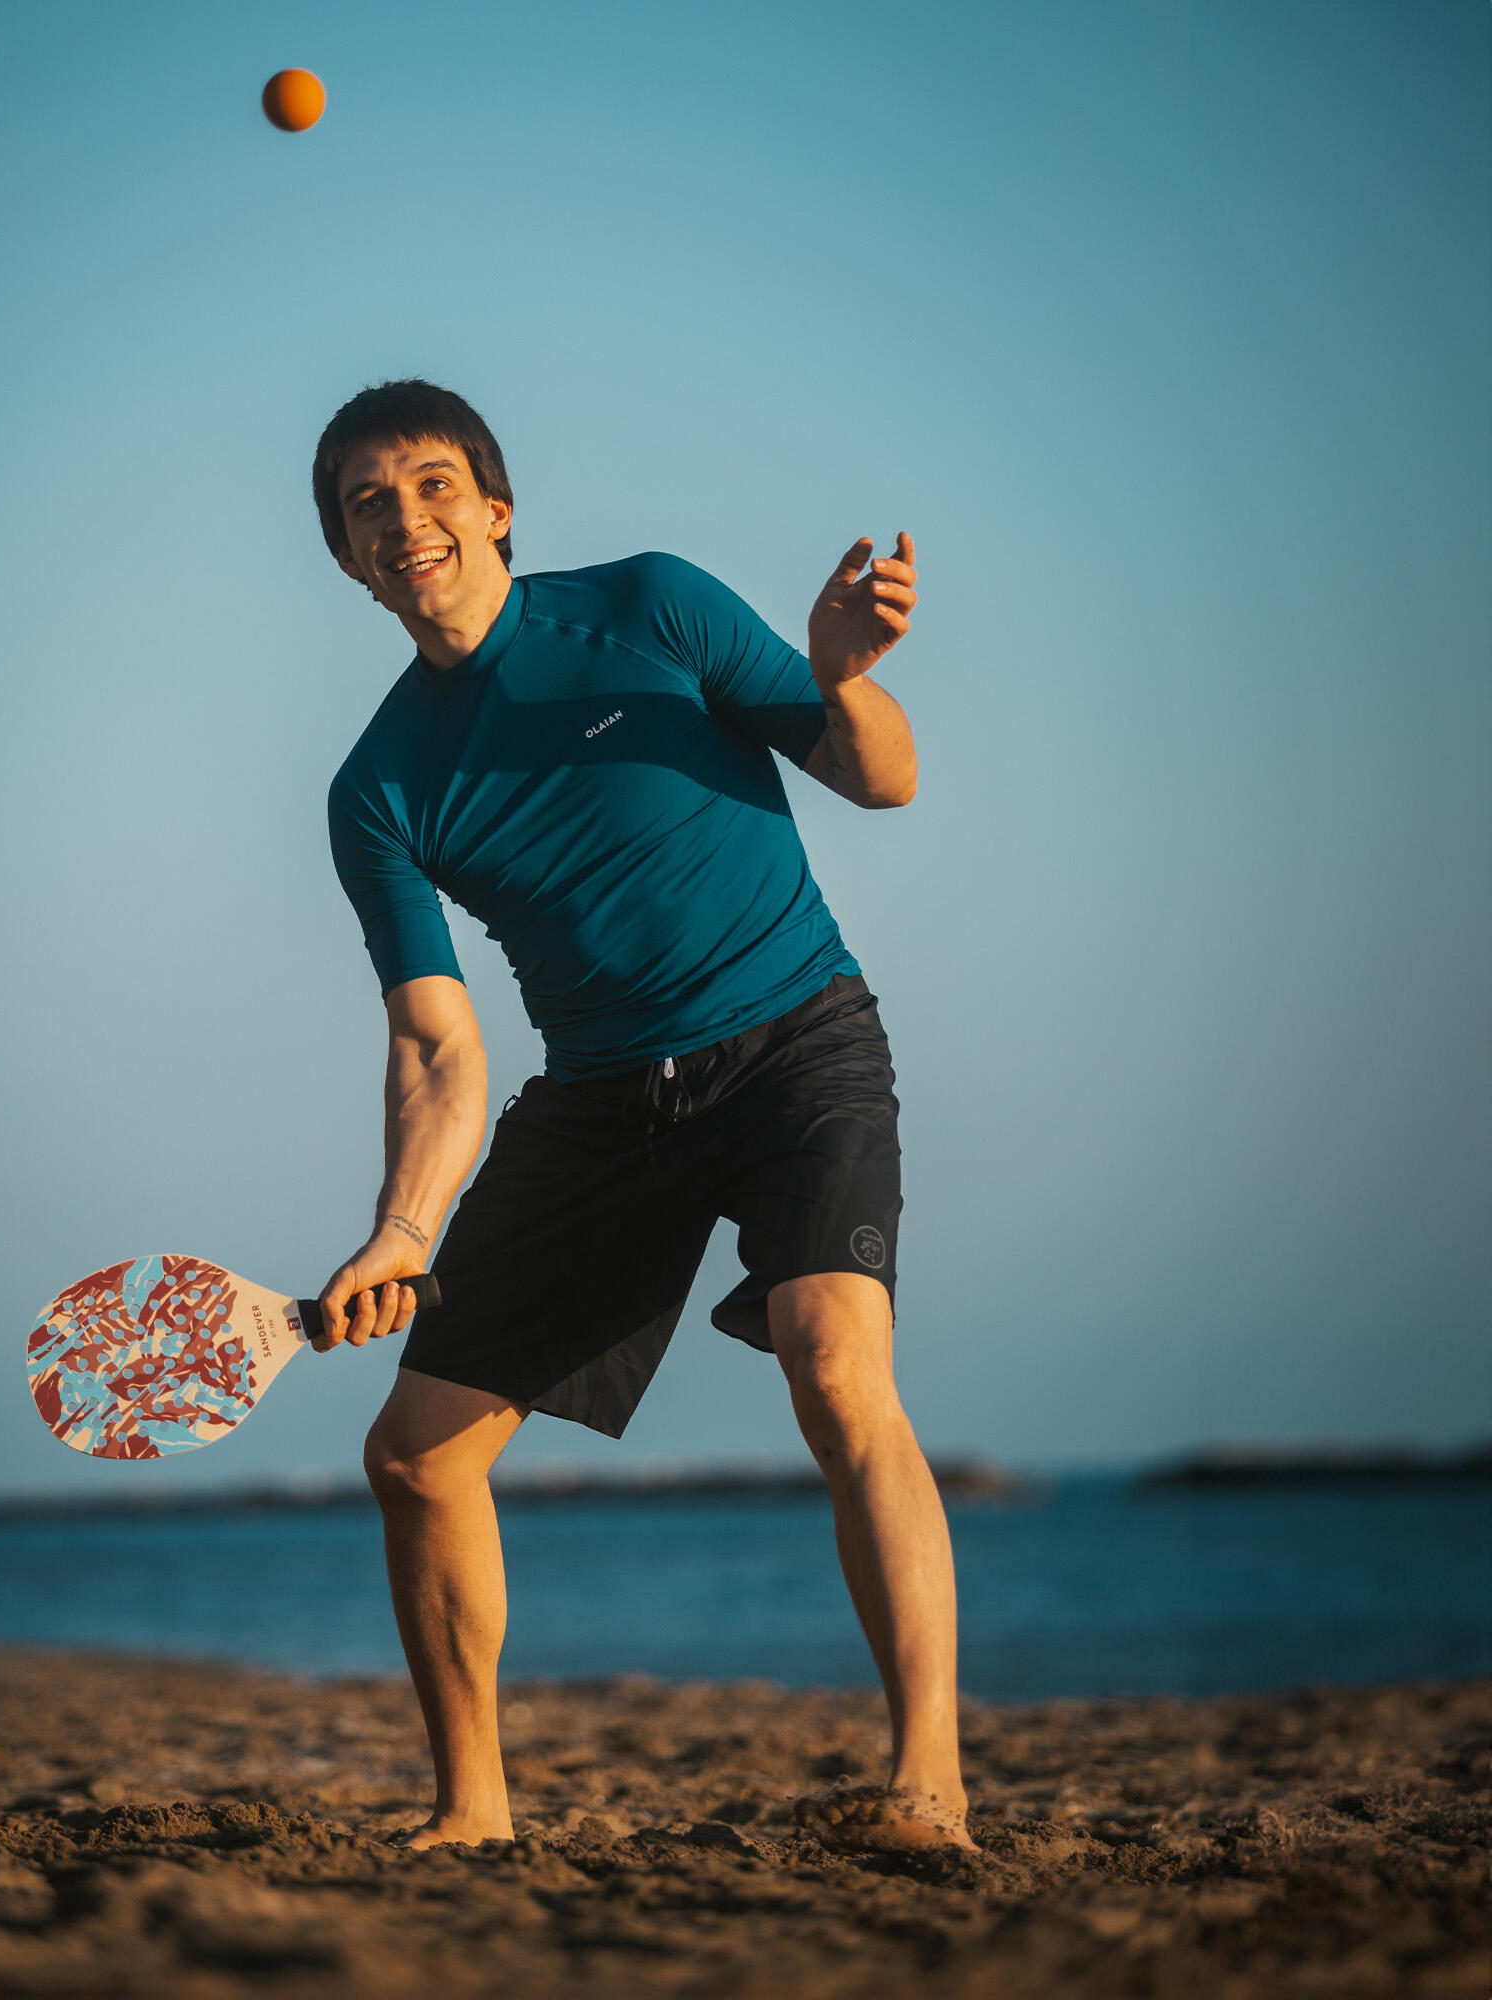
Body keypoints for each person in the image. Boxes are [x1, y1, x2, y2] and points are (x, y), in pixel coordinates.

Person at [310, 378, 974, 1855]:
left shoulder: (653, 607)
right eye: (366, 504)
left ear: (493, 508)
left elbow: (888, 783)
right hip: (604, 1100)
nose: (402, 518)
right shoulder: (378, 787)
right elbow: (435, 1043)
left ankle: (927, 1778)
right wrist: (400, 1229)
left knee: (834, 1358)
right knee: (413, 1456)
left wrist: (844, 673)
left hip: (798, 1040)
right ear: (350, 561)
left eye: (429, 486)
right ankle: (474, 1806)